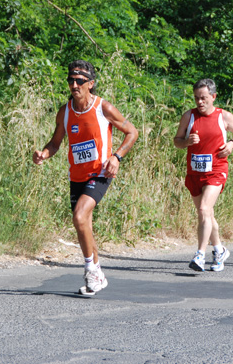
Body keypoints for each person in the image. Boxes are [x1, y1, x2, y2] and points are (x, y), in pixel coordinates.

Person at [33, 60, 138, 294]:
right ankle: (98, 276)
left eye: (79, 81)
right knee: (84, 226)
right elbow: (55, 142)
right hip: (77, 175)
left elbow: (132, 132)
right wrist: (43, 154)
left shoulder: (103, 108)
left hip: (101, 172)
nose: (74, 84)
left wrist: (117, 157)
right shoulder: (65, 111)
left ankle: (90, 271)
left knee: (80, 216)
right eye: (70, 80)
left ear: (90, 84)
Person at [174, 79, 233, 273]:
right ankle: (219, 250)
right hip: (194, 172)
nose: (200, 102)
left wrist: (231, 144)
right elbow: (176, 141)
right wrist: (187, 141)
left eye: (204, 98)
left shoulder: (224, 116)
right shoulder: (189, 116)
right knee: (206, 214)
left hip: (216, 169)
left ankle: (200, 254)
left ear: (213, 97)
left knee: (204, 209)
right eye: (196, 98)